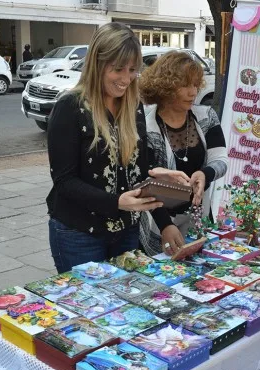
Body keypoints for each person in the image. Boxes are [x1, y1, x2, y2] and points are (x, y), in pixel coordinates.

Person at [46, 22, 187, 273]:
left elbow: (139, 170)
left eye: (133, 70)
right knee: (88, 308)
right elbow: (64, 181)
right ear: (97, 64)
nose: (126, 79)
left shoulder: (133, 106)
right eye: (118, 69)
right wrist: (116, 202)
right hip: (78, 234)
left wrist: (164, 217)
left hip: (127, 231)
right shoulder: (69, 108)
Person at [139, 51, 228, 256]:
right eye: (186, 85)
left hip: (199, 218)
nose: (193, 92)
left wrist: (205, 174)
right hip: (158, 221)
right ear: (166, 87)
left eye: (196, 85)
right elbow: (144, 179)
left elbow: (220, 159)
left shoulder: (206, 116)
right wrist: (164, 225)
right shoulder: (144, 124)